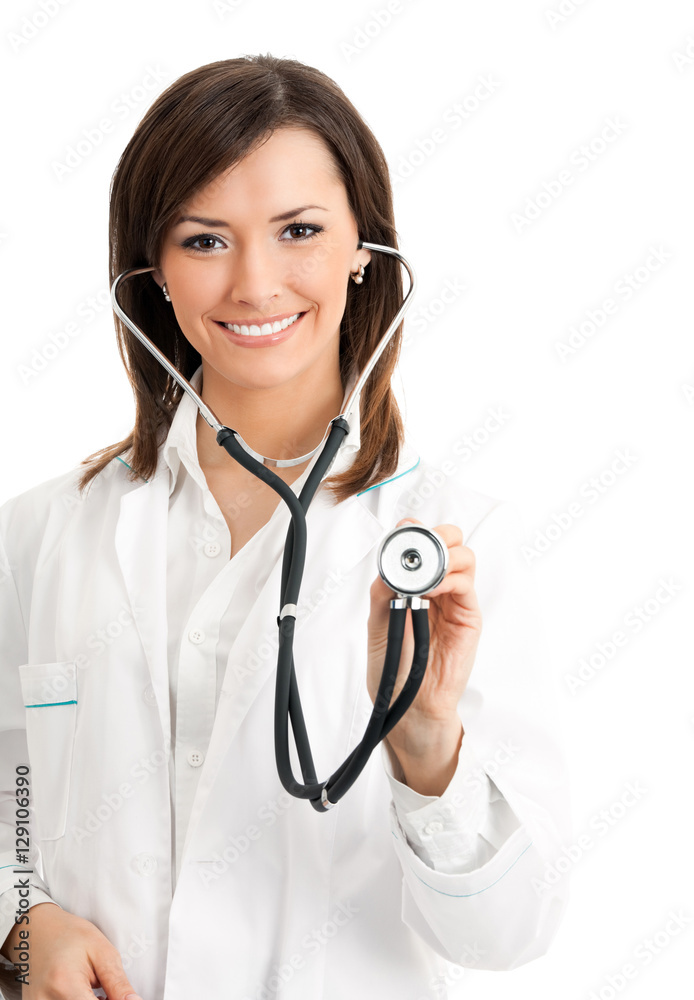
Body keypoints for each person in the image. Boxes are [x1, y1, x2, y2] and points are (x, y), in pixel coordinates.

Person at [0, 54, 570, 1000]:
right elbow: (10, 785)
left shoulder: (460, 544)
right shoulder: (40, 534)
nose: (256, 285)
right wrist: (23, 920)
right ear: (152, 271)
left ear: (363, 247)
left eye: (298, 230)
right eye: (204, 239)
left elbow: (508, 935)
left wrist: (427, 750)